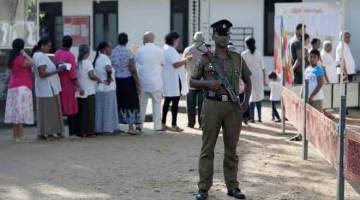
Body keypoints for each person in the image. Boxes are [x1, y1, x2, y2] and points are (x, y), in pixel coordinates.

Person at [191, 19, 252, 200]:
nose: (223, 37)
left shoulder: (237, 59)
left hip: (233, 108)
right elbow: (192, 81)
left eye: (226, 35)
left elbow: (248, 80)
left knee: (231, 150)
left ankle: (233, 187)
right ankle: (203, 188)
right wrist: (208, 83)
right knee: (207, 148)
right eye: (219, 34)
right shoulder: (205, 58)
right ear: (213, 36)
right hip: (211, 105)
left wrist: (246, 102)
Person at [32, 37, 64, 140]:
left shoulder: (38, 55)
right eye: (48, 46)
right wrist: (57, 70)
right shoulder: (40, 56)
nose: (49, 48)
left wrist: (56, 66)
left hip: (46, 88)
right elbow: (42, 73)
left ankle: (46, 132)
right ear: (42, 45)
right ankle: (48, 132)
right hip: (47, 88)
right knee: (49, 112)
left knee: (47, 111)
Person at [111, 33, 141, 135]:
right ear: (126, 41)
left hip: (117, 80)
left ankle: (116, 126)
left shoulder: (113, 52)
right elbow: (132, 69)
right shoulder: (129, 52)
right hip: (127, 80)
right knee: (130, 103)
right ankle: (131, 127)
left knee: (119, 102)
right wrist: (137, 83)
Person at [4, 38, 34, 142]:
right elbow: (32, 62)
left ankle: (15, 135)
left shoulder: (12, 58)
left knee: (14, 111)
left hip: (13, 87)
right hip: (22, 87)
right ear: (22, 47)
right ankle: (20, 136)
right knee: (20, 112)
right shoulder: (21, 59)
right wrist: (24, 53)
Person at [54, 35, 84, 137]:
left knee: (60, 108)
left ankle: (59, 132)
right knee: (71, 109)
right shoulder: (70, 56)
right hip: (69, 85)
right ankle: (73, 132)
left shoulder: (57, 53)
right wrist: (79, 87)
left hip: (59, 83)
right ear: (71, 44)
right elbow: (72, 75)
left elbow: (56, 65)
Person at [162, 31, 192, 132]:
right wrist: (186, 60)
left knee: (167, 101)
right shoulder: (171, 50)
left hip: (167, 78)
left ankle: (162, 123)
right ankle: (174, 125)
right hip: (173, 79)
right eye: (177, 41)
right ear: (173, 40)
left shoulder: (164, 49)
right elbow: (175, 64)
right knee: (174, 103)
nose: (178, 43)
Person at [136, 32, 164, 131]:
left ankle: (139, 125)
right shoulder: (159, 50)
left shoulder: (140, 50)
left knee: (142, 105)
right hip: (156, 82)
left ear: (145, 39)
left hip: (143, 82)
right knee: (157, 104)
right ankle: (157, 126)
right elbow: (162, 64)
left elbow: (137, 65)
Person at [74, 44, 101, 137]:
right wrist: (99, 79)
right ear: (87, 52)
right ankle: (89, 131)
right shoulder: (88, 62)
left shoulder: (77, 62)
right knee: (89, 113)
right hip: (89, 90)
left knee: (81, 113)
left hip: (79, 90)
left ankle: (81, 131)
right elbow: (91, 75)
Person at [94, 42, 119, 134]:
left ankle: (100, 128)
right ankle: (108, 128)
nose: (111, 49)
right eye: (110, 48)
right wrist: (109, 77)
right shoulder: (105, 58)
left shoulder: (99, 58)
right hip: (108, 89)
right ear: (105, 49)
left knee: (101, 110)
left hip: (100, 89)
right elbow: (108, 68)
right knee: (108, 109)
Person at [183, 31, 205, 129]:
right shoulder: (207, 50)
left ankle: (191, 123)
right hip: (203, 81)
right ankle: (201, 123)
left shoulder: (188, 50)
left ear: (194, 39)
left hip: (190, 80)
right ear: (203, 39)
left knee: (190, 104)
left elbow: (183, 64)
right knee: (202, 104)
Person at [242, 37, 266, 123]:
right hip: (258, 75)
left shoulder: (244, 54)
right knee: (258, 96)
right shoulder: (258, 53)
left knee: (251, 96)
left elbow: (242, 67)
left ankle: (252, 118)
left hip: (249, 75)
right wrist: (265, 79)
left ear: (247, 44)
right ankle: (259, 117)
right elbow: (263, 68)